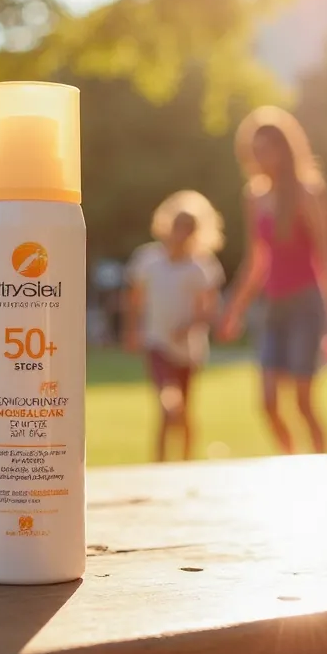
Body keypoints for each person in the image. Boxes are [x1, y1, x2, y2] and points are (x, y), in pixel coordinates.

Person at [220, 107, 327, 454]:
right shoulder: (254, 196)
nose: (262, 158)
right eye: (255, 151)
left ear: (286, 150)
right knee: (269, 404)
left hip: (306, 304)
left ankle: (323, 468)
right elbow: (256, 261)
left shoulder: (308, 192)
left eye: (269, 149)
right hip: (273, 307)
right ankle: (290, 464)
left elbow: (326, 257)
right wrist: (234, 309)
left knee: (304, 403)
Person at [124, 191, 225, 461]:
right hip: (157, 342)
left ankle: (185, 461)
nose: (181, 233)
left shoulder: (201, 267)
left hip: (189, 349)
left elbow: (210, 309)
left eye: (188, 228)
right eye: (178, 225)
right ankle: (159, 462)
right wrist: (132, 330)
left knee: (184, 410)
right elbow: (134, 300)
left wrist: (189, 325)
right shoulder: (147, 260)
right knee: (169, 404)